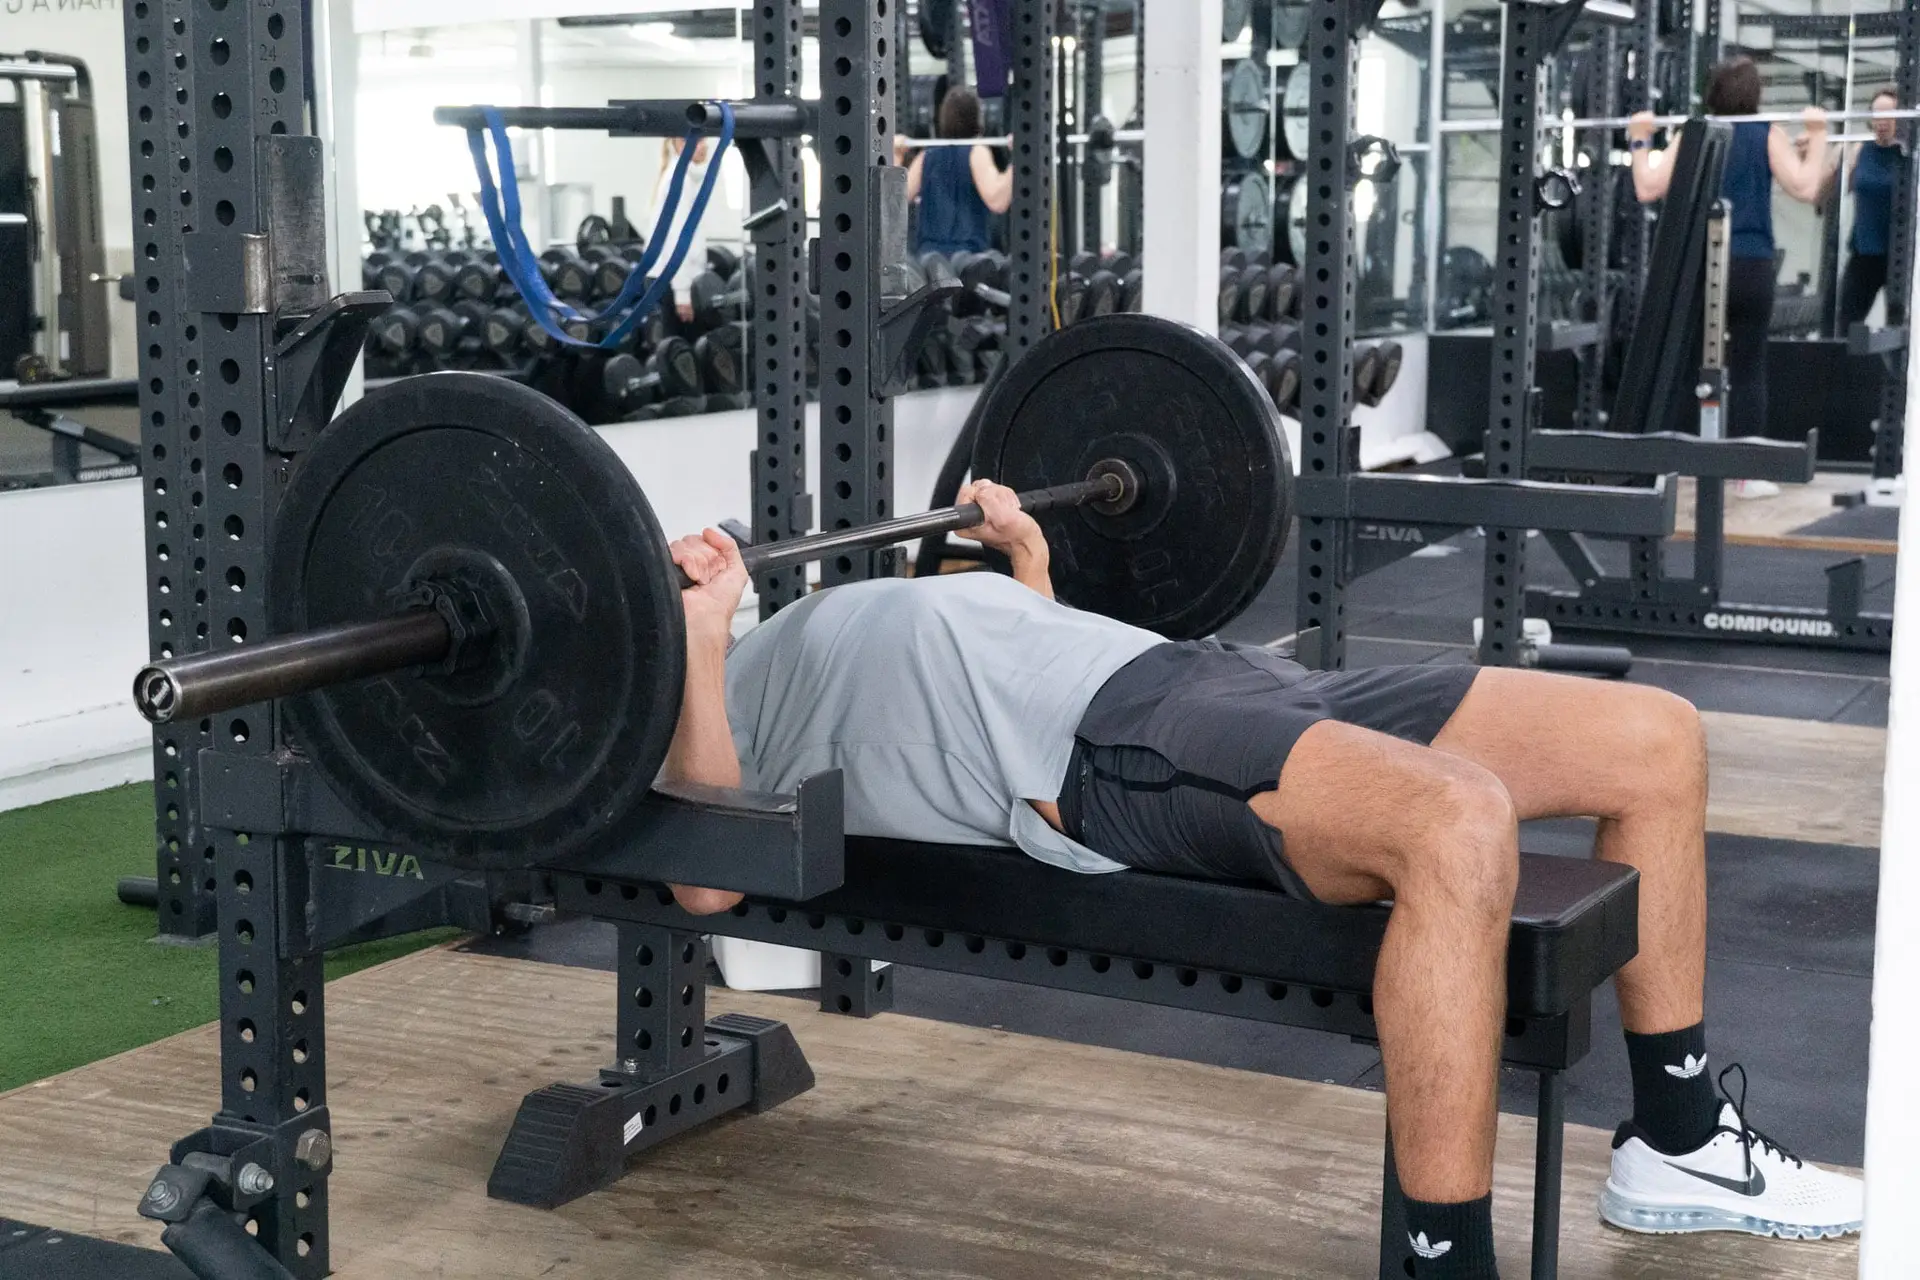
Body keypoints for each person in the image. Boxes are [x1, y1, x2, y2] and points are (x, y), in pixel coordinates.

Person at [659, 483, 1863, 1280]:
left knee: (1658, 735)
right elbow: (708, 883)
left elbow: (1002, 661)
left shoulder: (825, 607)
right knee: (1456, 819)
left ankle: (1681, 1134)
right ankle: (1444, 1257)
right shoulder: (693, 704)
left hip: (1197, 674)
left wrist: (1025, 569)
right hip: (1114, 754)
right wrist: (701, 642)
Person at [1627, 58, 1831, 497]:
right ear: (1754, 95)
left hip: (1700, 266)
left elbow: (1646, 187)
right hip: (1751, 266)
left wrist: (1640, 138)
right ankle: (1747, 475)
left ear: (1710, 92)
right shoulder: (1766, 134)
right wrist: (1817, 137)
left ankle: (1671, 470)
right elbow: (1806, 187)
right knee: (1749, 368)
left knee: (1685, 367)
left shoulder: (1692, 134)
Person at [894, 85, 1010, 256]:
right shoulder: (977, 152)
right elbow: (997, 201)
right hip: (967, 262)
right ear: (978, 119)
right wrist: (1021, 155)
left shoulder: (927, 156)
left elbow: (895, 201)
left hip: (929, 263)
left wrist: (896, 157)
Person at [1833, 89, 1908, 332]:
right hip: (1864, 251)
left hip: (1899, 255)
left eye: (1889, 115)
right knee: (1846, 324)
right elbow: (1837, 190)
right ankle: (1844, 369)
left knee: (1898, 326)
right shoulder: (1859, 151)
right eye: (1877, 115)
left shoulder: (1908, 156)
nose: (1882, 122)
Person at [650, 136, 713, 326]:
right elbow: (675, 239)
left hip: (676, 281)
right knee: (679, 352)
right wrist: (683, 293)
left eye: (705, 139)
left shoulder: (684, 177)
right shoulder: (678, 181)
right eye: (698, 140)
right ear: (680, 144)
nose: (704, 145)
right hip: (672, 284)